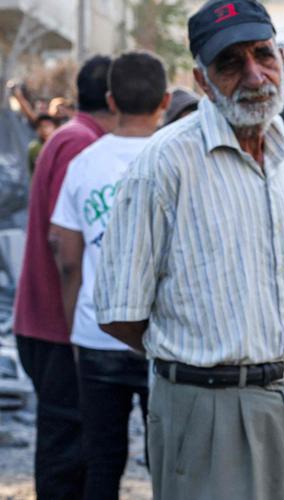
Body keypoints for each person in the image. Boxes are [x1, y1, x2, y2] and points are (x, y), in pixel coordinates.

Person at [94, 2, 284, 498]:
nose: (255, 75)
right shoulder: (164, 164)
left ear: (280, 57)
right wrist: (197, 360)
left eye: (263, 54)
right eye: (231, 63)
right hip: (205, 409)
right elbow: (119, 313)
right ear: (202, 80)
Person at [48, 51, 168, 500]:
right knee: (166, 462)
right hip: (162, 336)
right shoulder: (177, 158)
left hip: (97, 332)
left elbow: (67, 257)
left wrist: (74, 329)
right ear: (165, 101)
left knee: (101, 462)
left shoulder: (84, 163)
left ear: (112, 100)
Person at [14, 54, 117, 500]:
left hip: (48, 324)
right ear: (114, 99)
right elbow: (65, 246)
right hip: (57, 328)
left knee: (71, 447)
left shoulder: (73, 136)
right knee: (66, 452)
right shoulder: (80, 144)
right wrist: (80, 327)